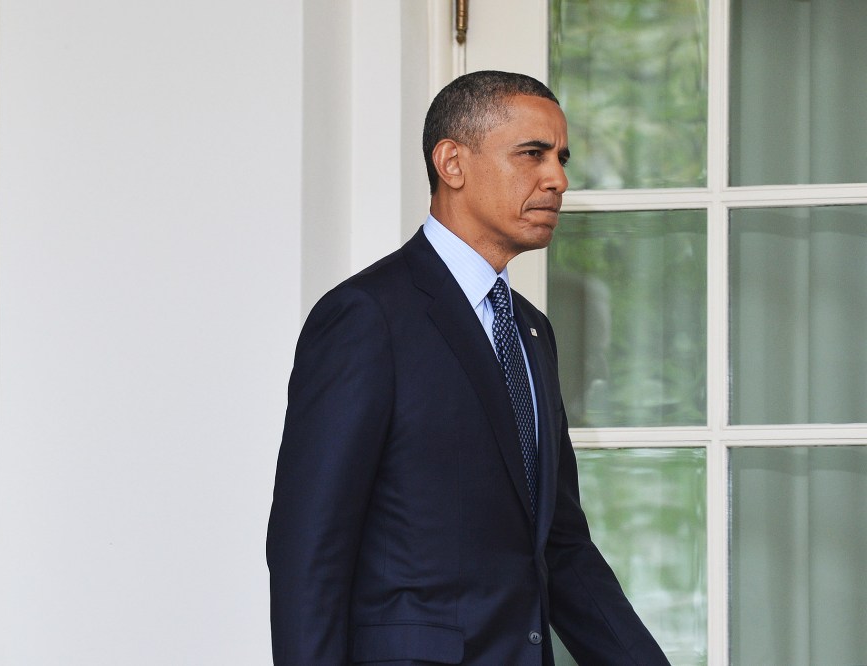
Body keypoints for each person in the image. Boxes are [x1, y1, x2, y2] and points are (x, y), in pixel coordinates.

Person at [267, 70, 669, 665]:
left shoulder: (532, 331)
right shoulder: (366, 316)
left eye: (561, 159)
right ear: (452, 163)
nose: (557, 179)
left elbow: (561, 548)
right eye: (532, 154)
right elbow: (309, 547)